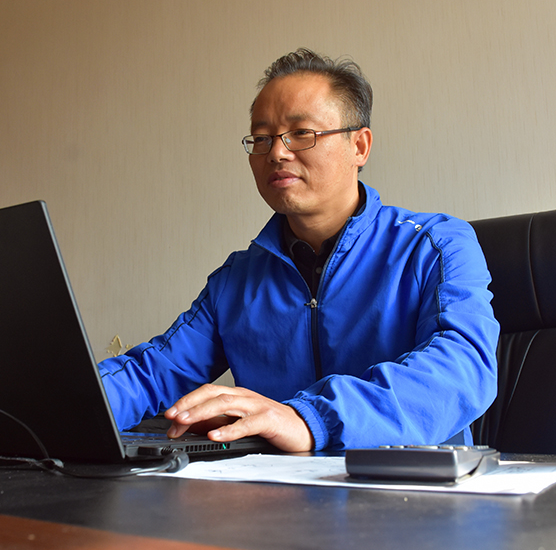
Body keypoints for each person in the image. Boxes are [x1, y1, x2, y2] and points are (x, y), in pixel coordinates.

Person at [98, 48, 499, 452]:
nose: (276, 152)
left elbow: (461, 369)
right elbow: (152, 372)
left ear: (359, 146)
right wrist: (70, 404)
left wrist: (308, 418)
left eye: (301, 133)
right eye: (262, 138)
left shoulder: (435, 244)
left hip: (411, 485)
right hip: (277, 486)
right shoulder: (236, 280)